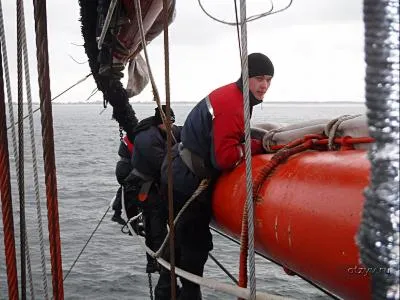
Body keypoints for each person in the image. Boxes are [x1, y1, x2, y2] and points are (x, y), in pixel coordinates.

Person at [154, 53, 274, 300]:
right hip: (187, 181)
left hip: (178, 170)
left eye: (269, 80)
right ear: (246, 78)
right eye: (259, 78)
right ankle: (187, 291)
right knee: (194, 245)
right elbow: (224, 158)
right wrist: (255, 147)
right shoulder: (234, 105)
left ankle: (168, 287)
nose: (264, 85)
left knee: (178, 241)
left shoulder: (233, 96)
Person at [124, 105, 181, 274]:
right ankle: (156, 262)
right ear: (159, 122)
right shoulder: (147, 138)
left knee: (158, 224)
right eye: (168, 122)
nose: (171, 126)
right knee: (155, 226)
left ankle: (165, 260)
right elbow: (163, 165)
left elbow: (180, 131)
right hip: (145, 186)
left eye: (173, 122)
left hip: (156, 185)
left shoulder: (164, 130)